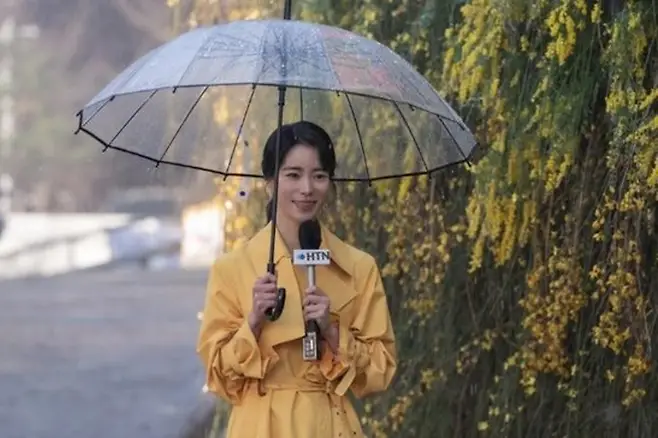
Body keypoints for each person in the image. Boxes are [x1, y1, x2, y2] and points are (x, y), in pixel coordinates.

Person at [196, 120, 397, 437]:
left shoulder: (359, 267)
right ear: (270, 182)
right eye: (293, 175)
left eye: (319, 176)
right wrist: (253, 322)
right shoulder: (232, 269)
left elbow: (380, 372)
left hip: (329, 425)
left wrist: (332, 331)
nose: (307, 188)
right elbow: (219, 379)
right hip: (259, 426)